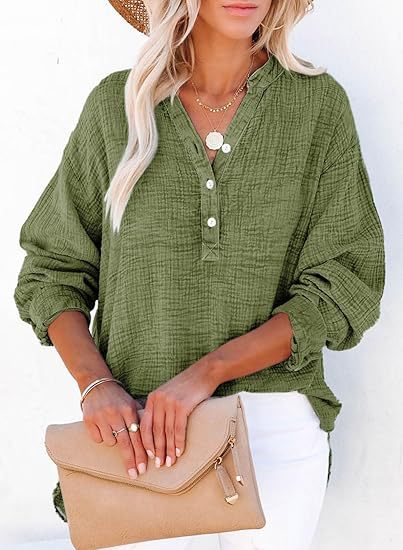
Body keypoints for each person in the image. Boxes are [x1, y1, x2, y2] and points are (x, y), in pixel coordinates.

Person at [13, 0, 385, 549]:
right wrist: (96, 385)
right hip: (139, 440)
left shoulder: (316, 107)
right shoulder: (116, 108)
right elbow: (52, 270)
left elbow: (345, 282)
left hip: (270, 435)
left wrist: (207, 373)